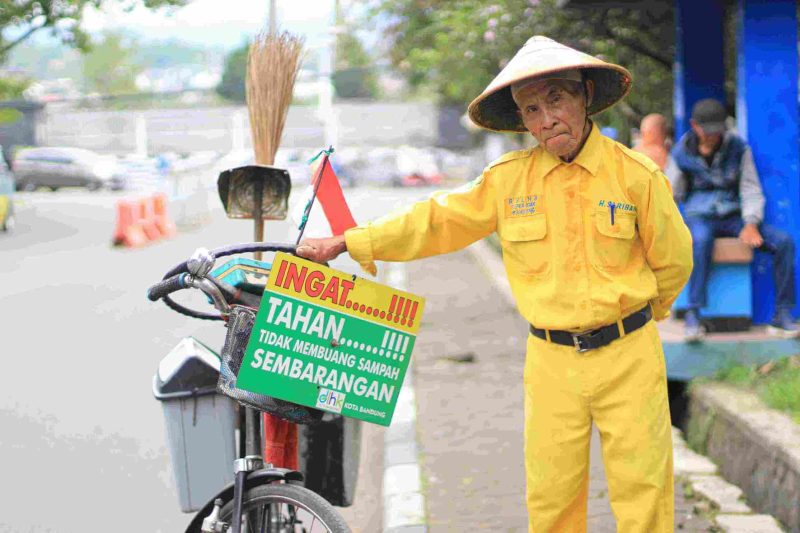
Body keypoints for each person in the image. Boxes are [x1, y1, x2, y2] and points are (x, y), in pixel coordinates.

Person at [298, 36, 692, 532]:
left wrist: (639, 319)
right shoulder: (507, 181)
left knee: (645, 495)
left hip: (629, 354)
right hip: (550, 361)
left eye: (556, 99)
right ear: (522, 120)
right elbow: (435, 221)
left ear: (585, 95)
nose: (546, 119)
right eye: (531, 109)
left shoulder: (636, 176)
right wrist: (347, 242)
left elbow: (674, 261)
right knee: (551, 499)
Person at [666, 98, 799, 341]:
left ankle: (782, 314)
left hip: (733, 217)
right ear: (695, 126)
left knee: (784, 242)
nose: (713, 136)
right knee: (701, 240)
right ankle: (694, 314)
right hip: (699, 217)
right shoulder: (680, 153)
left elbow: (750, 188)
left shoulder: (739, 148)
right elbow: (670, 195)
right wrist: (672, 228)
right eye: (708, 132)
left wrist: (750, 223)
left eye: (718, 131)